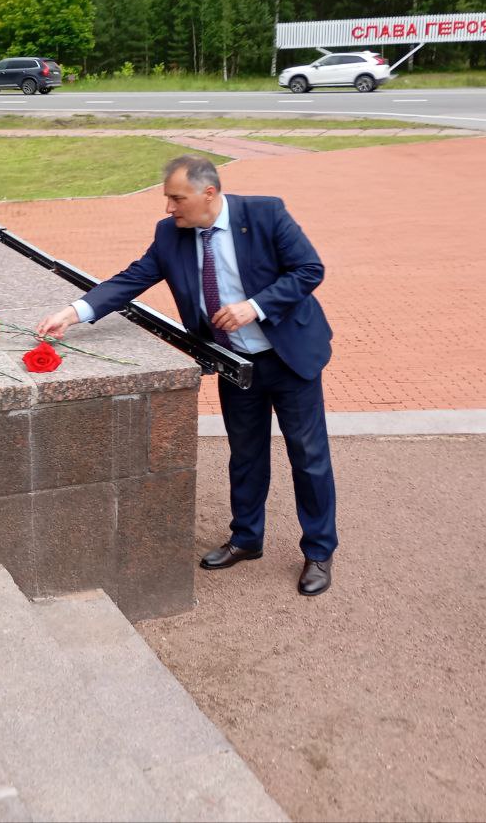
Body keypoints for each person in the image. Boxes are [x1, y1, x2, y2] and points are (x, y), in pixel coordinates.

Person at [36, 155, 338, 595]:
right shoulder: (170, 234)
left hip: (289, 357)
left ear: (208, 193)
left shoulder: (265, 214)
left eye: (176, 198)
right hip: (237, 364)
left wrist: (254, 306)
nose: (169, 208)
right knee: (246, 455)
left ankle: (318, 550)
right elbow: (132, 278)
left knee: (308, 458)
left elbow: (309, 270)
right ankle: (246, 538)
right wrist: (73, 312)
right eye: (168, 199)